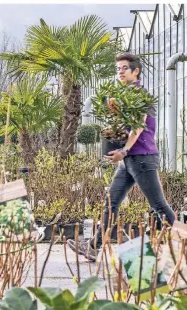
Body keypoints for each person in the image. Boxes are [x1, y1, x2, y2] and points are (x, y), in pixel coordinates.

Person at [67, 53, 175, 261]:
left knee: (158, 205)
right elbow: (125, 126)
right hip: (130, 160)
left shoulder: (139, 95)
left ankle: (184, 245)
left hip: (141, 157)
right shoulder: (125, 95)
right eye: (118, 68)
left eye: (124, 68)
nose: (120, 71)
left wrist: (123, 150)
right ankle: (94, 245)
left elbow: (137, 126)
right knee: (111, 201)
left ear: (136, 71)